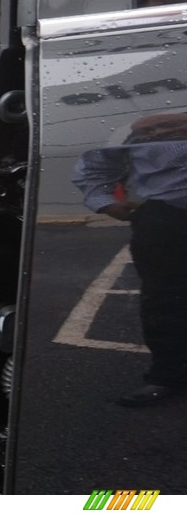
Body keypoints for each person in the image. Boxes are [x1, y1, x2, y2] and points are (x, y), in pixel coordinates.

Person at [73, 113, 187, 406]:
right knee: (166, 301)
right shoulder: (136, 122)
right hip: (169, 219)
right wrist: (106, 202)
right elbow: (96, 165)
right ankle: (167, 376)